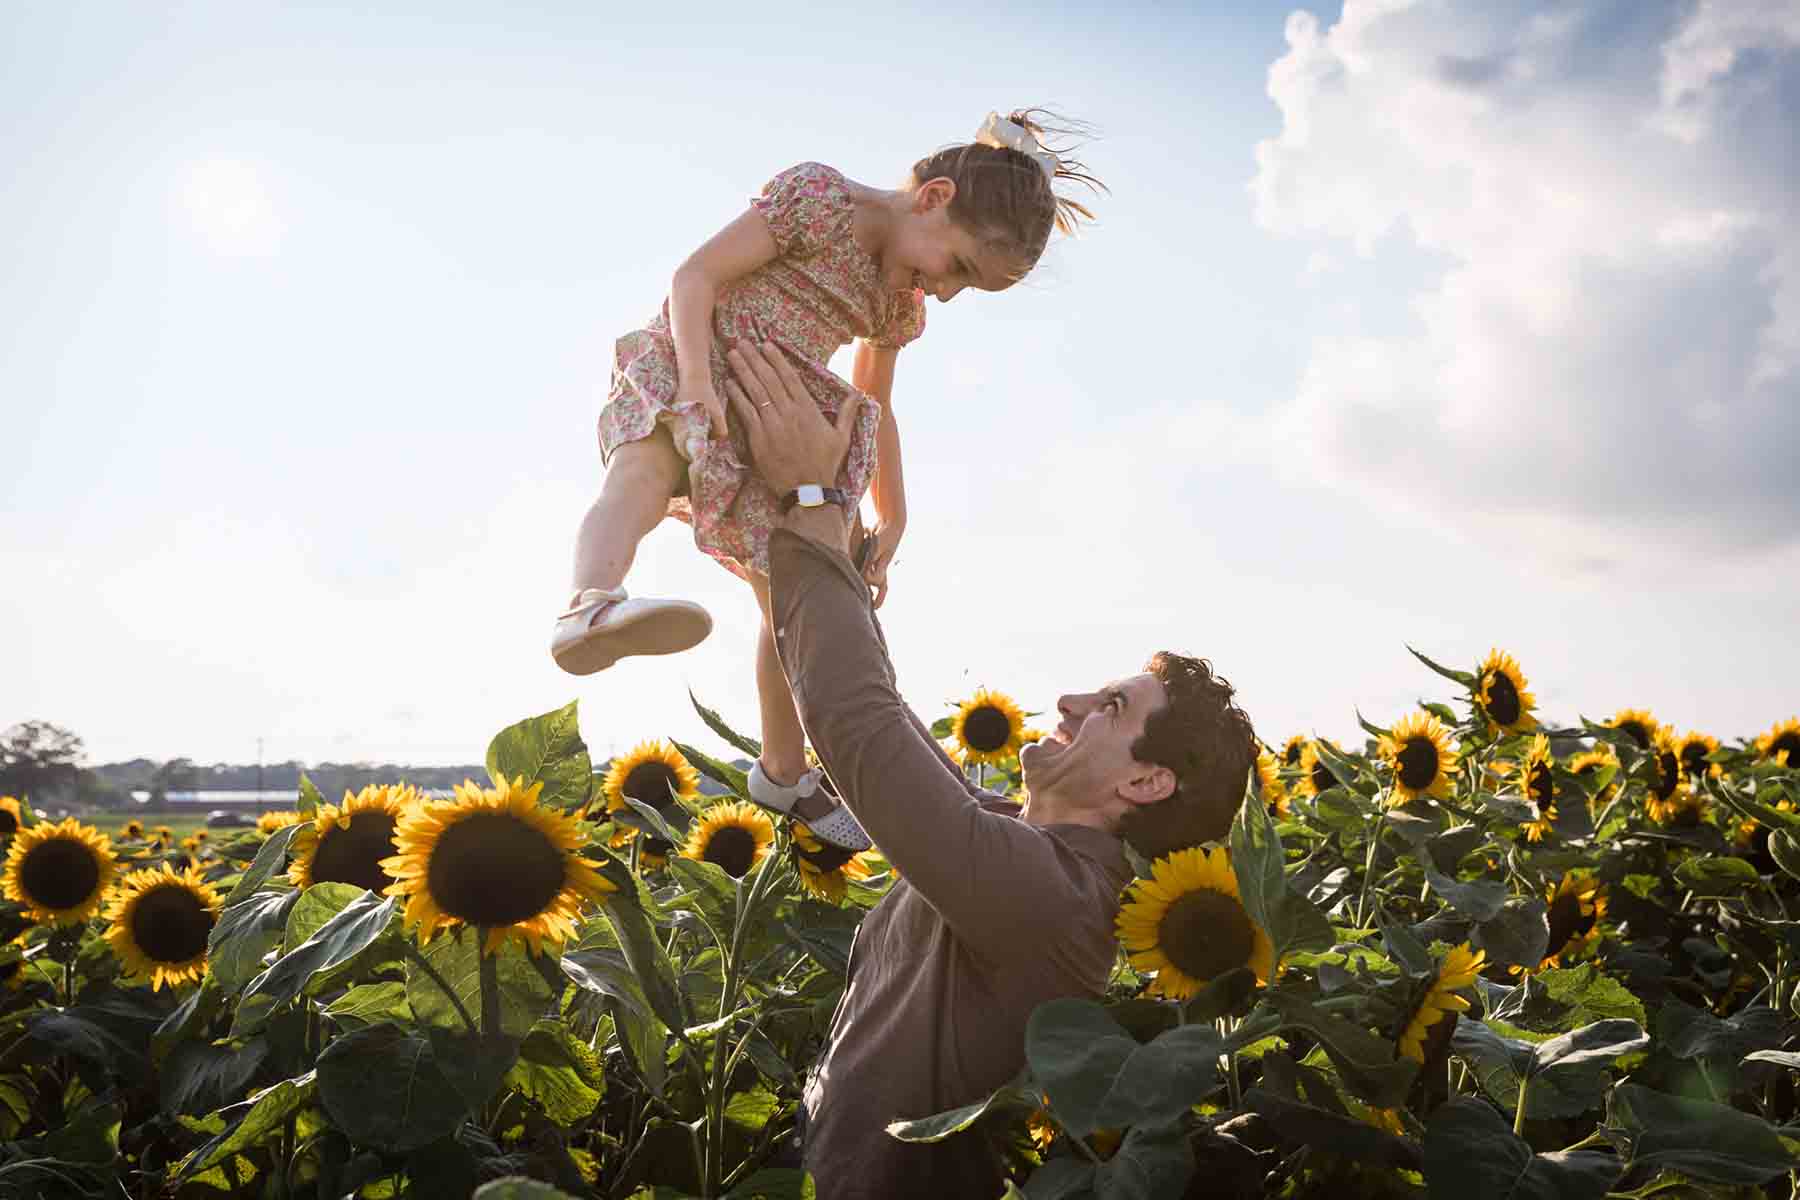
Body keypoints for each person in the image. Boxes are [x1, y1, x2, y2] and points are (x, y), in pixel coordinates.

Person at [719, 341, 1259, 1199]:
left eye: (1112, 707)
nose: (1071, 700)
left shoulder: (1054, 898)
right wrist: (789, 551)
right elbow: (875, 733)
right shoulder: (1009, 831)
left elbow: (857, 724)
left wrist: (811, 500)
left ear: (1146, 784)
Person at [552, 111, 1103, 851]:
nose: (945, 294)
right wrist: (692, 383)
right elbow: (695, 275)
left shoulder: (894, 300)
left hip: (771, 420)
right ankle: (590, 607)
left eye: (968, 291)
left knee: (794, 603)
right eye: (961, 269)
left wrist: (894, 515)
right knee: (642, 472)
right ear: (934, 198)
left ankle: (783, 772)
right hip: (697, 360)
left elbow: (875, 404)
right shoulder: (820, 200)